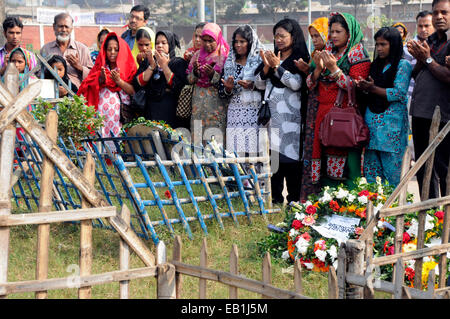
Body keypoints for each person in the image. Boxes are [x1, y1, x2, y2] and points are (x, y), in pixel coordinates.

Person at [306, 12, 371, 190]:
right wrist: (319, 69)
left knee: (349, 164)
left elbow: (355, 87)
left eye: (338, 32)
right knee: (326, 165)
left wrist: (334, 69)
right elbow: (310, 84)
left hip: (345, 117)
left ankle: (351, 209)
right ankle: (328, 205)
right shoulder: (326, 51)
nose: (333, 36)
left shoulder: (357, 54)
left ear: (349, 33)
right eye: (331, 31)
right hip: (323, 115)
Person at [254, 18, 310, 204]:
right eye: (276, 36)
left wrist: (278, 67)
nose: (278, 39)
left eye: (282, 36)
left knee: (292, 164)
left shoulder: (301, 58)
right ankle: (276, 203)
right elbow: (259, 83)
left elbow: (296, 83)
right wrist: (268, 66)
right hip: (272, 122)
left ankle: (294, 204)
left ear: (293, 37)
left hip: (291, 122)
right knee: (275, 165)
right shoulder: (272, 56)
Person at [355, 27, 412, 186]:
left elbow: (399, 93)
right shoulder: (374, 66)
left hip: (391, 130)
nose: (379, 48)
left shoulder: (403, 65)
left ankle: (394, 210)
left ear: (393, 44)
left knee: (393, 175)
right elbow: (369, 92)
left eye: (383, 44)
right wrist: (363, 87)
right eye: (377, 44)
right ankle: (374, 209)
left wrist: (373, 88)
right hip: (372, 127)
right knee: (372, 174)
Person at [407, 0, 450, 199]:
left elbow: (447, 77)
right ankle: (429, 215)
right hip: (420, 112)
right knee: (424, 167)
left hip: (442, 116)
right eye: (436, 12)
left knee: (443, 169)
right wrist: (420, 56)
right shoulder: (430, 41)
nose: (439, 16)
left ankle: (445, 221)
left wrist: (428, 59)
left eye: (444, 12)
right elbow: (417, 74)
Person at [78, 33, 137, 148]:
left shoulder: (129, 67)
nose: (113, 52)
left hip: (120, 114)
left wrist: (119, 81)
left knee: (118, 142)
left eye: (116, 49)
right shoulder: (101, 67)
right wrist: (99, 80)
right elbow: (87, 85)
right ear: (104, 50)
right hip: (102, 113)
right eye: (109, 49)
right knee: (102, 140)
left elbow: (133, 91)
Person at [297, 17, 329, 201]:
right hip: (313, 108)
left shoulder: (332, 55)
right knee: (312, 149)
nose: (315, 40)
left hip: (328, 108)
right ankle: (310, 199)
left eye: (318, 35)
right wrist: (309, 69)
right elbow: (310, 83)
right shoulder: (314, 55)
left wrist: (315, 70)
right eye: (313, 36)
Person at [219, 25, 264, 157]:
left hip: (254, 112)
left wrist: (252, 86)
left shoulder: (259, 61)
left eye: (242, 42)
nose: (238, 45)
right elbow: (223, 91)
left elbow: (267, 84)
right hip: (235, 112)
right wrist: (228, 88)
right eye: (236, 42)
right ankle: (240, 178)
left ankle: (254, 177)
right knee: (236, 152)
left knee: (253, 152)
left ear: (250, 42)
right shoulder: (230, 62)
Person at [132, 30, 188, 128]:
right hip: (150, 113)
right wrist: (152, 66)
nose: (160, 46)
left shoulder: (178, 63)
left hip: (170, 113)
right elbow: (137, 84)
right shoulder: (149, 61)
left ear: (170, 44)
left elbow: (180, 88)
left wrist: (164, 66)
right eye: (157, 43)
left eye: (163, 43)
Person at [187, 22, 230, 146]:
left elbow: (227, 82)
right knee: (198, 143)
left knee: (216, 143)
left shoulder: (224, 57)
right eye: (204, 40)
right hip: (198, 106)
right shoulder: (196, 55)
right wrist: (195, 72)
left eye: (211, 41)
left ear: (218, 39)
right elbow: (189, 80)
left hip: (216, 106)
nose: (207, 44)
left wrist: (212, 75)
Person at [40, 13, 93, 89]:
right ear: (54, 27)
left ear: (71, 28)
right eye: (61, 26)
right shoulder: (46, 49)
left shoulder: (82, 49)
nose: (64, 30)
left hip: (77, 95)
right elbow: (39, 73)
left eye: (67, 27)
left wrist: (79, 67)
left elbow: (93, 75)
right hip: (52, 93)